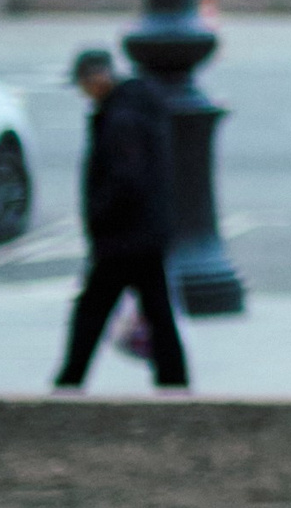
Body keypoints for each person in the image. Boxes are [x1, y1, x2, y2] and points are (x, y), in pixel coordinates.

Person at [53, 49, 190, 389]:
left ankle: (69, 382)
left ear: (97, 78)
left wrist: (99, 217)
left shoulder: (120, 117)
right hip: (145, 232)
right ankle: (174, 383)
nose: (84, 93)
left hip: (123, 237)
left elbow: (124, 178)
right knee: (158, 313)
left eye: (84, 84)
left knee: (91, 311)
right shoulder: (136, 106)